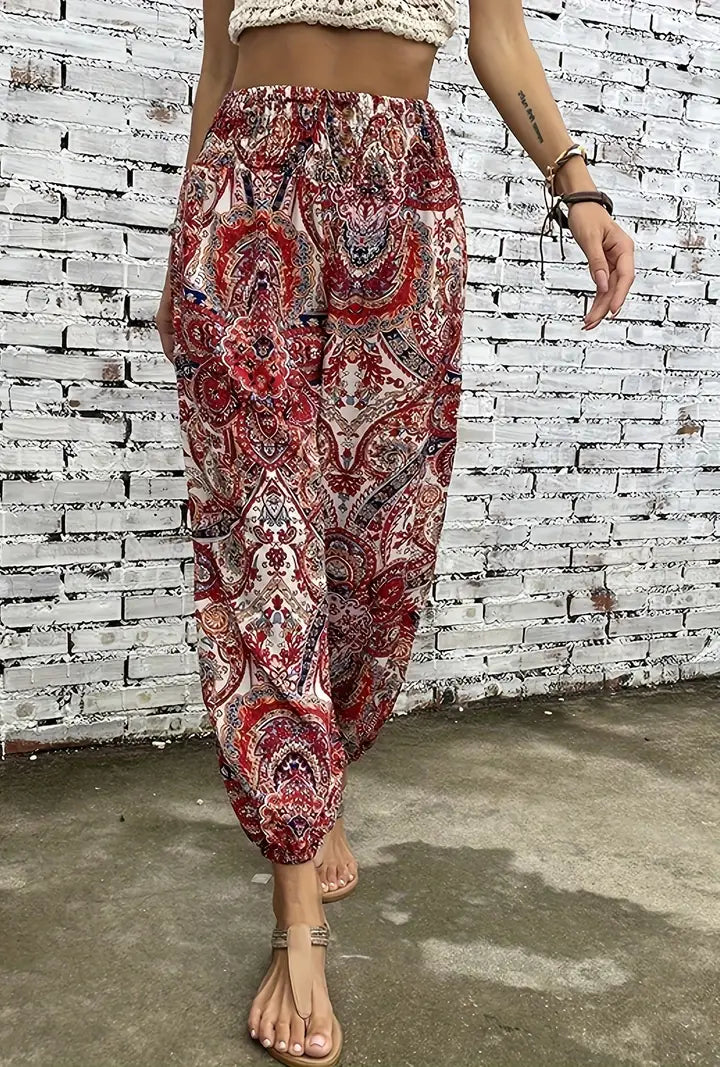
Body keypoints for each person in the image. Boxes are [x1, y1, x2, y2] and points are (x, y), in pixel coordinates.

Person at [155, 2, 635, 1063]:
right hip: (245, 194)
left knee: (376, 545)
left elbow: (496, 36)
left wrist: (579, 188)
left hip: (400, 191)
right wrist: (182, 244)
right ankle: (296, 917)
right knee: (263, 542)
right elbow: (216, 66)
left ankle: (325, 775)